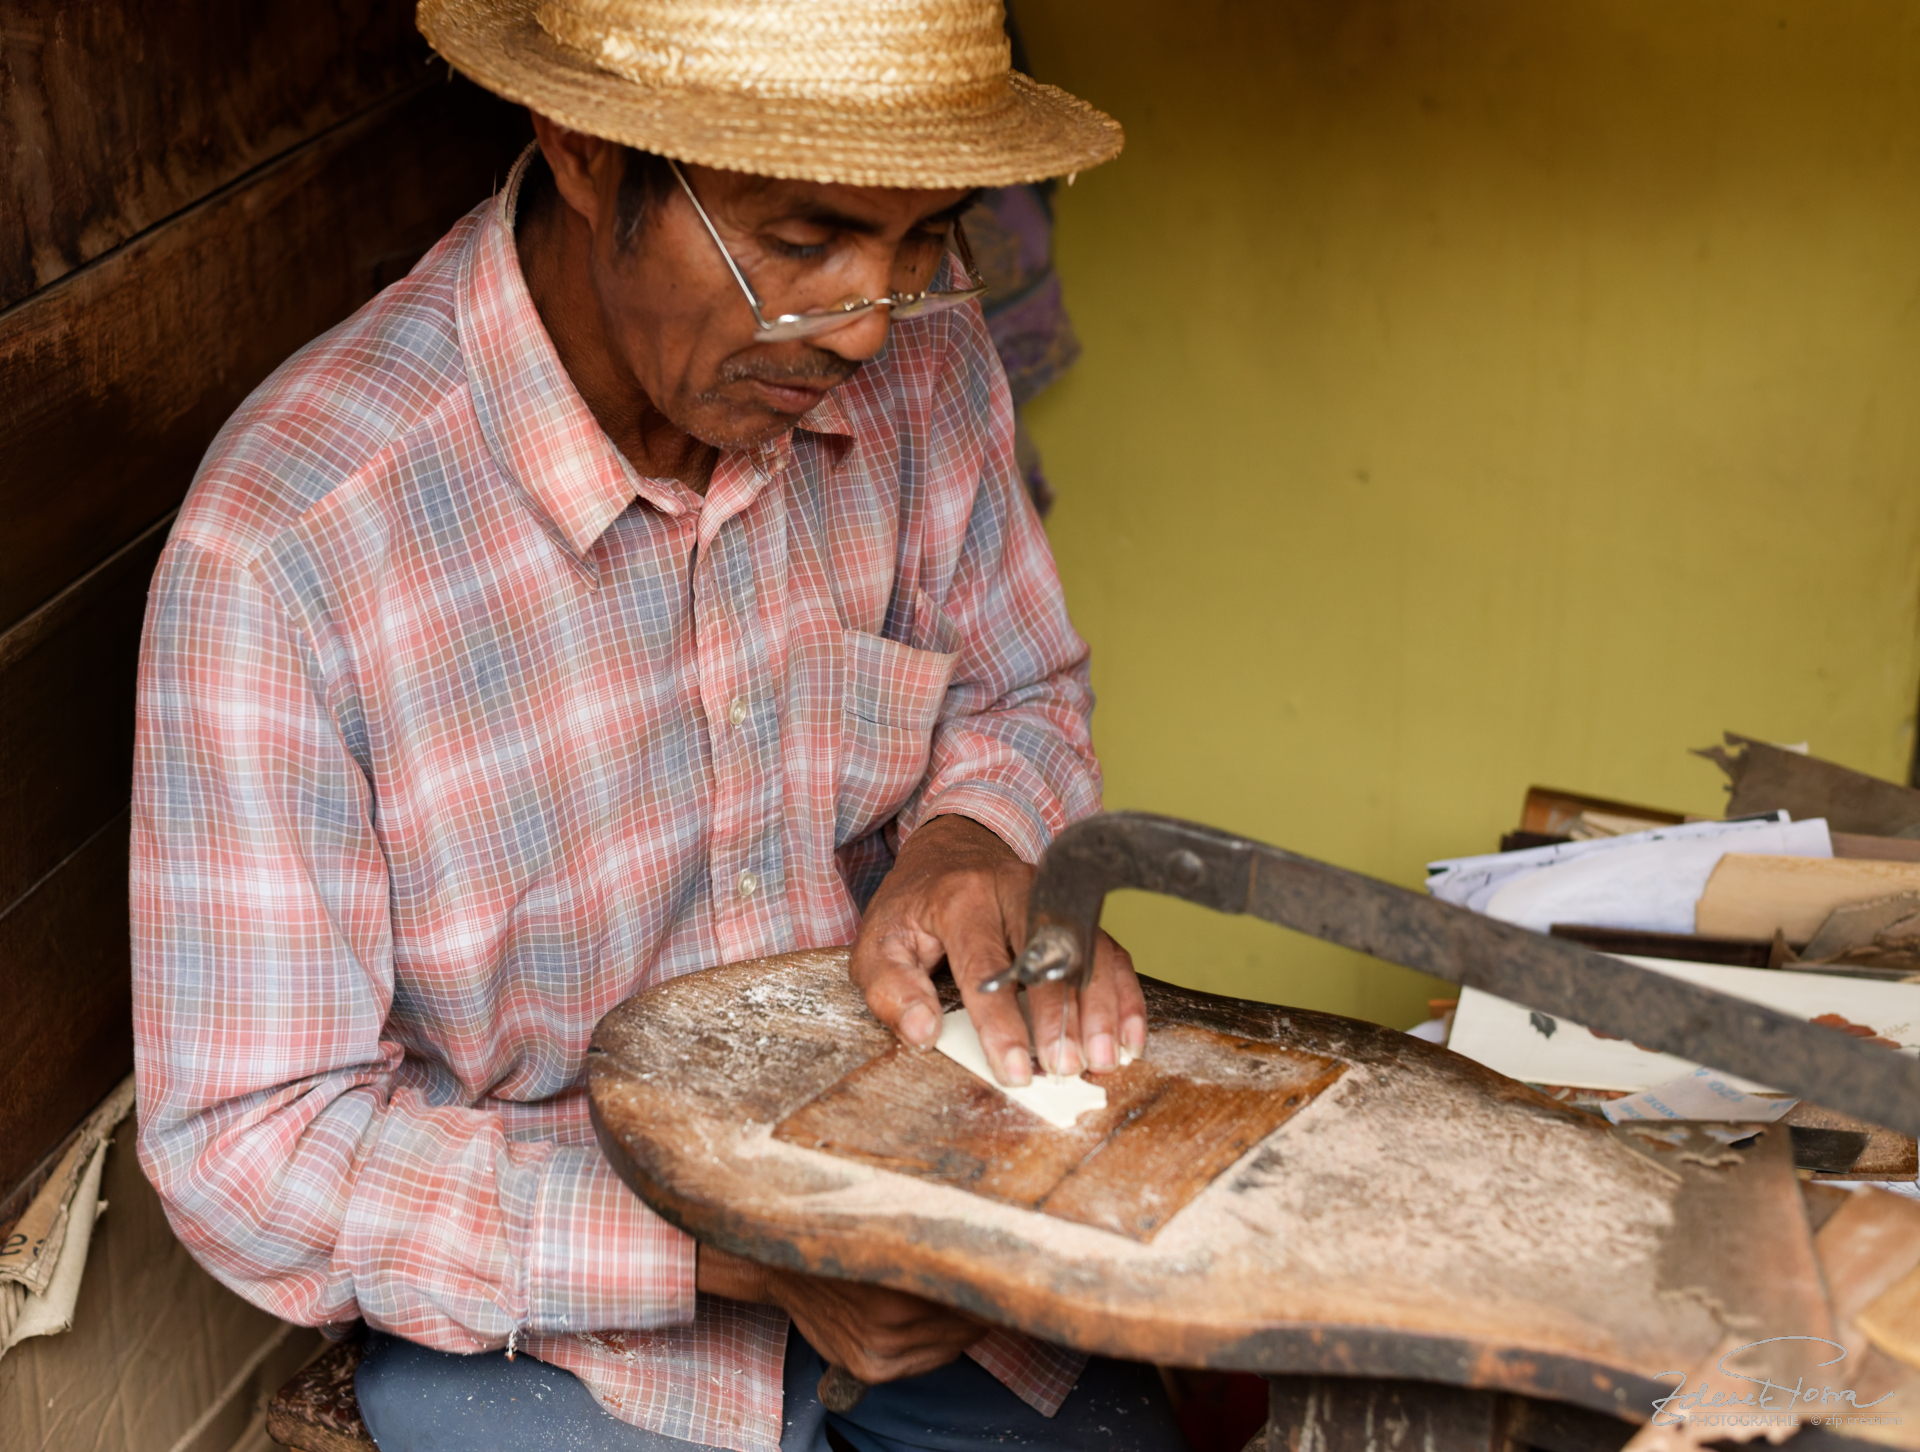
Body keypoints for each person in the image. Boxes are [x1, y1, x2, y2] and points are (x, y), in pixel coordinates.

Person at [130, 1, 1184, 1450]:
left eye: (928, 238)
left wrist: (966, 837)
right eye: (803, 240)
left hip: (915, 1197)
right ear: (581, 147)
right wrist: (732, 1245)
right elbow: (252, 1143)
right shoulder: (295, 552)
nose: (869, 322)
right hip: (568, 1308)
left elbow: (1019, 688)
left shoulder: (920, 371)